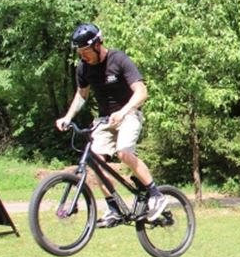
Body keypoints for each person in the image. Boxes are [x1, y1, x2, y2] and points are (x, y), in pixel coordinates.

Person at [56, 23, 166, 224]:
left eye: (86, 52)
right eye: (80, 53)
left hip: (129, 114)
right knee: (95, 161)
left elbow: (142, 92)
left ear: (98, 45)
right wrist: (68, 117)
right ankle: (114, 208)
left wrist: (123, 111)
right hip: (105, 120)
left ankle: (155, 194)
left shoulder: (119, 59)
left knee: (123, 152)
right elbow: (82, 94)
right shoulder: (83, 67)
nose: (83, 57)